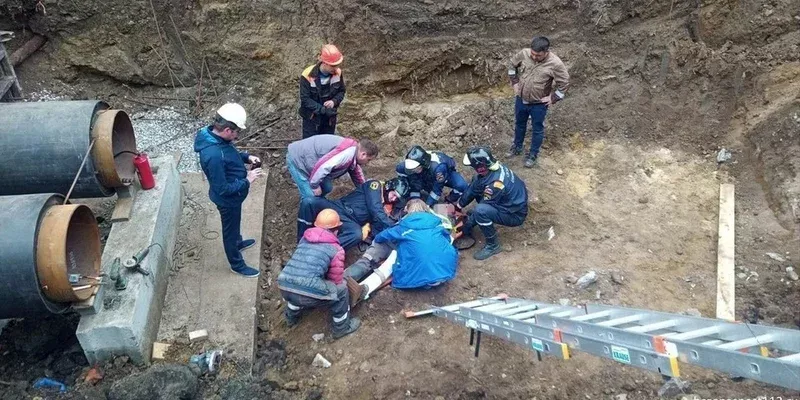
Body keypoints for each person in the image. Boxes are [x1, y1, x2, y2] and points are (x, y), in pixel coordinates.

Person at [194, 103, 265, 277]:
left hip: (235, 197)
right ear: (227, 130)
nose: (237, 135)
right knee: (230, 231)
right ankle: (237, 264)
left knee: (235, 225)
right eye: (236, 132)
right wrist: (247, 180)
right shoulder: (213, 156)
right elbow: (223, 189)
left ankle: (237, 243)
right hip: (227, 200)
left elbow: (230, 154)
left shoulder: (216, 139)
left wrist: (247, 157)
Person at [277, 209, 361, 339]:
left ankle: (290, 318)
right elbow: (335, 280)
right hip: (305, 290)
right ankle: (341, 328)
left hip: (284, 284)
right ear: (336, 229)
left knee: (296, 288)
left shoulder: (304, 239)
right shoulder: (336, 249)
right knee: (341, 291)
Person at [507, 36, 570, 168]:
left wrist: (553, 98)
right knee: (519, 124)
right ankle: (517, 147)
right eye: (533, 54)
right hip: (521, 99)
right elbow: (512, 65)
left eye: (538, 55)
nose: (534, 57)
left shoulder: (555, 64)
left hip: (539, 104)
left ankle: (533, 154)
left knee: (537, 129)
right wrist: (514, 82)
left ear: (546, 52)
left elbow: (564, 82)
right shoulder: (524, 54)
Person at [297, 177, 410, 250]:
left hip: (351, 222)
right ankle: (301, 242)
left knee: (356, 234)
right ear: (389, 187)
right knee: (309, 202)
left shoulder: (386, 207)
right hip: (339, 207)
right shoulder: (375, 185)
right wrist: (394, 226)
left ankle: (323, 251)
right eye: (393, 195)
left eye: (396, 198)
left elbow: (378, 223)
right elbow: (375, 208)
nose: (393, 199)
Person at [456, 146, 528, 260]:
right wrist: (458, 206)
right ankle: (476, 219)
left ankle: (493, 245)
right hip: (508, 202)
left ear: (480, 167)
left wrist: (466, 227)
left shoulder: (495, 184)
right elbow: (474, 188)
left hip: (515, 214)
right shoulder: (492, 169)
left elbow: (484, 206)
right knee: (477, 184)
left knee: (480, 211)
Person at [286, 134, 379, 199]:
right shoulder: (346, 153)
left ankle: (318, 204)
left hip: (312, 162)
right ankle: (307, 217)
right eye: (369, 160)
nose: (367, 163)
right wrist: (314, 186)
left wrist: (364, 189)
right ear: (363, 154)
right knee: (310, 196)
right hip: (299, 160)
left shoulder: (354, 153)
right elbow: (323, 167)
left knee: (327, 187)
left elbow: (356, 173)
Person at [299, 44, 346, 138]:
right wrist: (322, 110)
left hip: (329, 118)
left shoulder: (337, 73)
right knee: (310, 144)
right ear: (324, 62)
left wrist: (334, 101)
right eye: (333, 65)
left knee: (327, 143)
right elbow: (305, 98)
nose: (335, 68)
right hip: (312, 118)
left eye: (337, 65)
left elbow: (341, 91)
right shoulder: (307, 74)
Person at [396, 145, 468, 206]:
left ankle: (449, 199)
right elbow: (402, 176)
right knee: (415, 185)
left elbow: (437, 190)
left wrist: (427, 206)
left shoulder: (439, 168)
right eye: (411, 170)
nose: (413, 171)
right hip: (423, 174)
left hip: (444, 174)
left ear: (423, 164)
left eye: (415, 169)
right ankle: (415, 199)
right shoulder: (404, 166)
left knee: (461, 186)